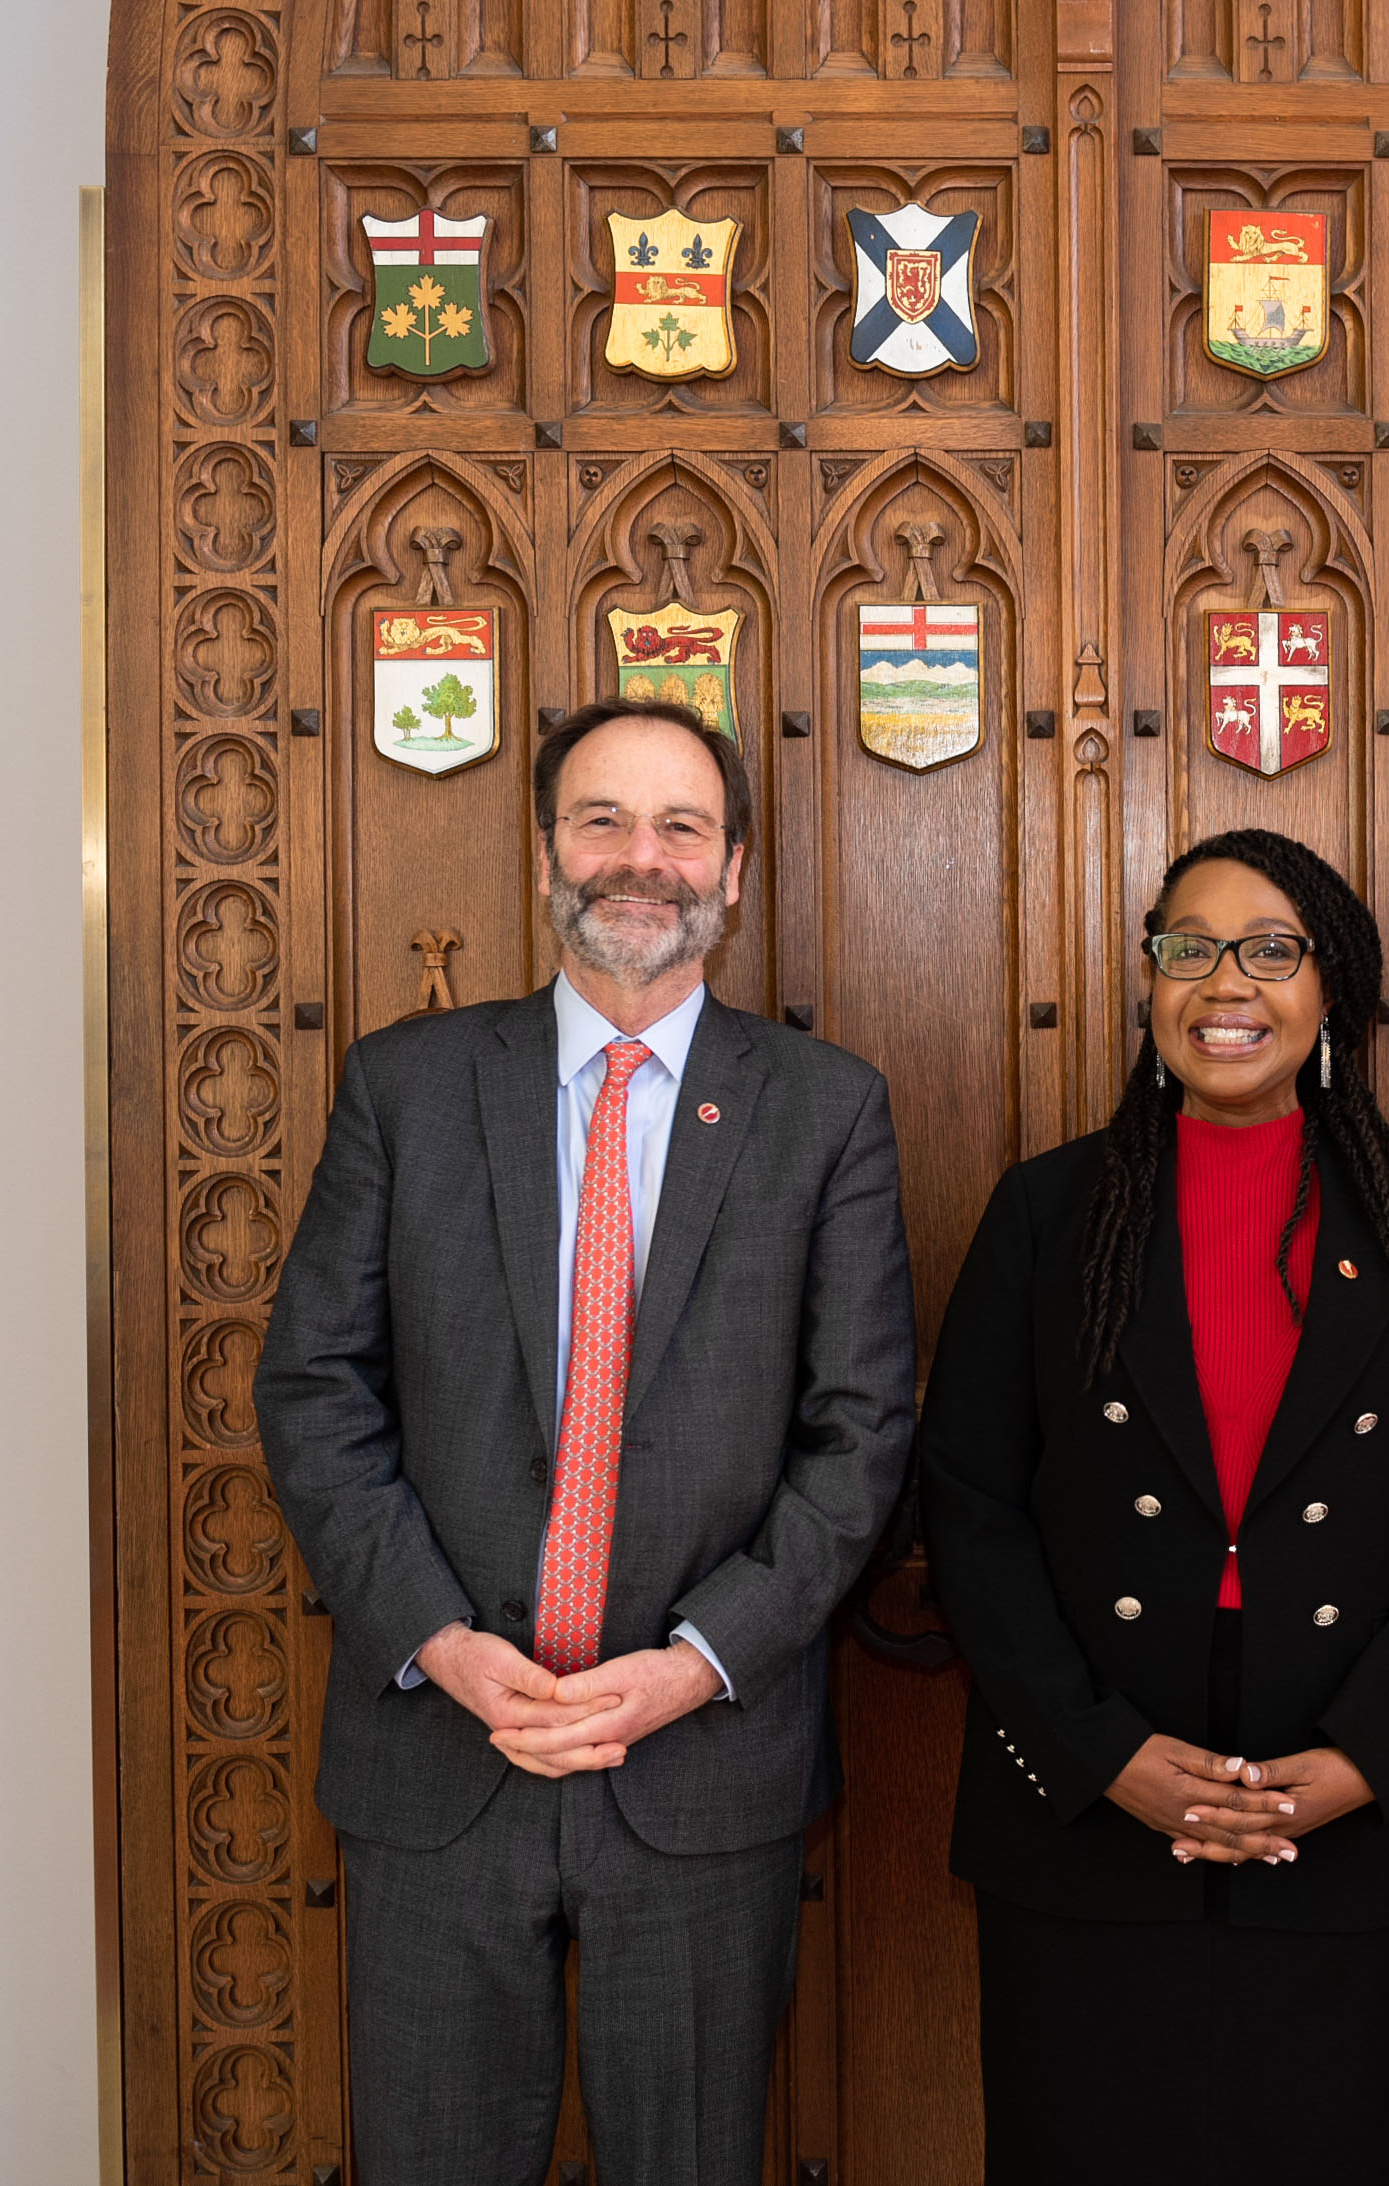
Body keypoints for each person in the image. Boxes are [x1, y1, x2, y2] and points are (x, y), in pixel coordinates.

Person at [256, 697, 917, 2186]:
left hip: (701, 1770)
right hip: (442, 1753)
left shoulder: (825, 1113)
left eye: (683, 826)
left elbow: (862, 1434)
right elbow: (315, 1389)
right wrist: (435, 1632)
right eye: (604, 821)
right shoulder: (404, 1087)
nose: (643, 859)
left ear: (735, 869)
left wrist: (696, 1661)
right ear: (544, 851)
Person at [919, 829, 1389, 2185]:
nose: (1222, 982)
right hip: (1083, 1815)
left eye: (1270, 948)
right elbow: (969, 1509)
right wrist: (1100, 1753)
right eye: (1186, 947)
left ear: (1332, 993)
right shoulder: (1048, 1213)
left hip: (1337, 1812)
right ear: (1149, 983)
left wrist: (1367, 1757)